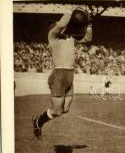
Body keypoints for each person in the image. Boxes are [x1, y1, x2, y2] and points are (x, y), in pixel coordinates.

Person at [32, 8, 92, 140]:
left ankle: (39, 121)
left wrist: (88, 23)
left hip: (70, 75)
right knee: (57, 111)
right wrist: (71, 11)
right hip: (59, 75)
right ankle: (38, 122)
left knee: (65, 109)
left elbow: (88, 39)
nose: (59, 27)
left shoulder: (70, 38)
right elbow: (61, 24)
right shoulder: (52, 37)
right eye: (56, 25)